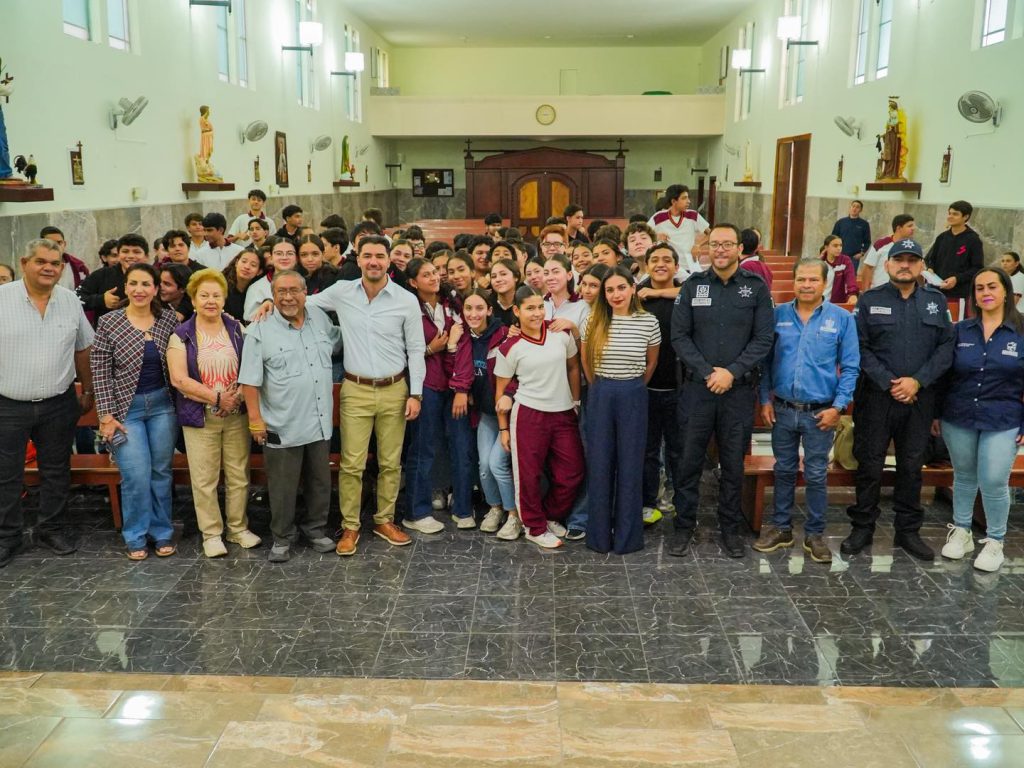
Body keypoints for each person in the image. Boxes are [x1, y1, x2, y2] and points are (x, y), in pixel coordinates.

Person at [252, 236, 423, 555]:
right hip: (355, 389)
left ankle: (384, 520)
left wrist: (416, 394)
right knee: (352, 463)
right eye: (367, 255)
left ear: (389, 260)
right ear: (358, 259)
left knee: (390, 462)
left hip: (395, 389)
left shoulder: (405, 300)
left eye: (380, 256)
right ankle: (350, 526)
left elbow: (415, 349)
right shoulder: (342, 292)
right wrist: (269, 301)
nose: (374, 261)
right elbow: (301, 299)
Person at [843, 239, 954, 561]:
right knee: (870, 465)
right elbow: (859, 347)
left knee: (911, 466)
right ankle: (862, 527)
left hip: (919, 399)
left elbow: (946, 348)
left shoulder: (935, 302)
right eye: (899, 259)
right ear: (888, 264)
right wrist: (890, 382)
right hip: (877, 398)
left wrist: (916, 381)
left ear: (921, 266)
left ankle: (908, 531)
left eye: (912, 260)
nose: (905, 265)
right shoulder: (870, 300)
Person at [670, 223, 774, 558]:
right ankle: (683, 526)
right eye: (714, 244)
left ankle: (730, 529)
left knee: (732, 464)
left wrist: (731, 372)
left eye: (727, 244)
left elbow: (763, 339)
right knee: (688, 462)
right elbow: (679, 337)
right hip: (697, 390)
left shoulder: (755, 288)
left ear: (740, 249)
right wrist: (707, 372)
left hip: (738, 392)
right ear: (707, 248)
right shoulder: (693, 286)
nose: (720, 250)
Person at [755, 259, 860, 563]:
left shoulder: (841, 319)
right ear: (793, 281)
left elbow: (851, 367)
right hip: (783, 409)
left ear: (825, 283)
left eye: (813, 279)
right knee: (784, 470)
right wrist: (765, 400)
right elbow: (765, 363)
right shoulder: (778, 316)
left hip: (821, 413)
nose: (806, 285)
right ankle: (781, 528)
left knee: (815, 473)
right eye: (801, 279)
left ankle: (814, 534)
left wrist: (838, 407)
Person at [0, 239, 95, 567]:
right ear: (24, 263)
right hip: (8, 404)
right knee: (6, 474)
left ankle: (50, 529)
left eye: (55, 263)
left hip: (58, 402)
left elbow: (83, 347)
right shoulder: (2, 298)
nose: (48, 268)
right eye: (41, 261)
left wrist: (88, 390)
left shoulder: (69, 301)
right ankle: (7, 536)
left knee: (56, 471)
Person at [239, 270, 341, 563]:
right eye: (281, 292)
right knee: (282, 486)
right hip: (282, 423)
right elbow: (249, 381)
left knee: (319, 482)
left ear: (305, 293)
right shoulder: (260, 329)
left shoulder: (319, 318)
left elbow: (339, 342)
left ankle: (316, 530)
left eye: (294, 290)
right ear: (272, 296)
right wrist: (255, 421)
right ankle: (282, 537)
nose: (288, 297)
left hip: (319, 420)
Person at [167, 269, 260, 557]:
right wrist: (217, 398)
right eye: (204, 295)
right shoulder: (181, 335)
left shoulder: (237, 329)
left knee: (238, 474)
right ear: (193, 300)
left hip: (236, 413)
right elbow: (178, 379)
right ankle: (211, 534)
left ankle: (237, 528)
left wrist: (236, 397)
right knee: (204, 479)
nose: (211, 301)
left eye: (216, 295)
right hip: (200, 415)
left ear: (224, 299)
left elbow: (252, 366)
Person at [937, 268, 1024, 573]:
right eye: (979, 288)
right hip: (959, 415)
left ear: (1006, 292)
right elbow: (945, 374)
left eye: (992, 287)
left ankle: (995, 540)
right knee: (964, 475)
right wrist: (936, 414)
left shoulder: (1021, 331)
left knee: (993, 479)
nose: (985, 293)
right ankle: (962, 531)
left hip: (1003, 418)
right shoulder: (961, 330)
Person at [91, 263, 179, 560]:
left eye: (146, 284)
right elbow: (100, 371)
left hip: (163, 407)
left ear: (155, 289)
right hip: (125, 411)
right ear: (125, 287)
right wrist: (106, 416)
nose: (139, 290)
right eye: (133, 284)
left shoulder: (167, 318)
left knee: (160, 473)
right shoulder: (109, 322)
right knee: (136, 474)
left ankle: (162, 531)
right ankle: (135, 535)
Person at [494, 286, 585, 549]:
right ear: (516, 311)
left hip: (563, 412)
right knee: (529, 475)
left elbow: (573, 367)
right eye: (529, 308)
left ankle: (550, 515)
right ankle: (534, 527)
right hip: (528, 414)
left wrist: (575, 401)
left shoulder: (560, 333)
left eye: (539, 307)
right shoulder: (509, 346)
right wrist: (503, 429)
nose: (536, 313)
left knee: (573, 471)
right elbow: (500, 391)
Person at [580, 266, 661, 554]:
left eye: (621, 288)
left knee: (630, 464)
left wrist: (631, 386)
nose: (616, 294)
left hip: (633, 394)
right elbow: (586, 362)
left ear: (632, 288)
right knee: (600, 463)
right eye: (610, 290)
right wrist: (601, 386)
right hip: (601, 391)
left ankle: (628, 538)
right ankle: (599, 537)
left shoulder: (648, 321)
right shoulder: (594, 320)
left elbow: (651, 363)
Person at [402, 258, 474, 532]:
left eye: (434, 272)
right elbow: (400, 352)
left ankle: (463, 508)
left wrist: (462, 386)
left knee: (461, 447)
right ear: (413, 282)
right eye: (426, 275)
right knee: (423, 448)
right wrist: (431, 349)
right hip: (426, 385)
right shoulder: (408, 308)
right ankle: (416, 512)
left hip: (454, 385)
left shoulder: (452, 304)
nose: (434, 277)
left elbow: (464, 344)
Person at [464, 289, 518, 536]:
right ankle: (495, 508)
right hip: (486, 413)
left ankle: (513, 514)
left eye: (479, 308)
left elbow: (518, 372)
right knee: (484, 465)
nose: (473, 314)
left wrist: (509, 395)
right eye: (468, 308)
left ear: (489, 310)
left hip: (508, 413)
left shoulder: (505, 335)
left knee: (497, 464)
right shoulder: (464, 337)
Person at [637, 244, 683, 525]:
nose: (660, 264)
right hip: (645, 387)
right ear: (647, 266)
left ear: (677, 266)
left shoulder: (687, 293)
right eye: (654, 260)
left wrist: (658, 293)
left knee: (678, 449)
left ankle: (678, 501)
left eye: (667, 259)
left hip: (679, 387)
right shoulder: (636, 295)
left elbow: (692, 294)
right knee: (648, 450)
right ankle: (648, 502)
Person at [77, 233, 149, 323]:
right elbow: (76, 298)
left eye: (136, 252)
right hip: (108, 330)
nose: (130, 256)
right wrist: (101, 300)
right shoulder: (101, 275)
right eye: (125, 251)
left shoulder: (154, 276)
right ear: (119, 254)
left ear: (146, 256)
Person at [925, 200, 985, 303]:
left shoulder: (973, 240)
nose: (950, 217)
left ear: (966, 217)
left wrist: (957, 279)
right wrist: (930, 269)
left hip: (958, 295)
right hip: (935, 292)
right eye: (949, 213)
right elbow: (930, 259)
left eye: (955, 214)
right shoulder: (942, 237)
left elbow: (977, 268)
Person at [648, 185, 709, 275]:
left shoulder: (693, 215)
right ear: (673, 201)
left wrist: (698, 245)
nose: (688, 201)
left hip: (689, 265)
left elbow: (711, 234)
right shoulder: (659, 217)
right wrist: (656, 237)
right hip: (668, 266)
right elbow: (644, 234)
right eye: (684, 198)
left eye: (688, 197)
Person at [858, 214, 916, 291]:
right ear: (899, 228)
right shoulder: (881, 244)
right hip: (880, 291)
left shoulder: (913, 247)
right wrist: (866, 292)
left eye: (913, 226)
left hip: (903, 292)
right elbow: (868, 267)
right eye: (909, 226)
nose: (913, 228)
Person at [244, 239, 297, 320]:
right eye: (279, 253)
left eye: (290, 253)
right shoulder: (256, 288)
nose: (284, 257)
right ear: (271, 257)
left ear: (296, 258)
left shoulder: (306, 282)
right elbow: (250, 321)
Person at [544, 253, 589, 332]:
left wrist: (573, 327)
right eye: (546, 273)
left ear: (569, 275)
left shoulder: (583, 307)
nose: (550, 277)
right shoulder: (538, 303)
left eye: (556, 272)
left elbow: (587, 339)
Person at [39, 226, 89, 292]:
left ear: (64, 244)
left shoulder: (79, 267)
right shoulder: (35, 267)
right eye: (50, 243)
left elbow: (87, 292)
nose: (56, 246)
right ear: (41, 245)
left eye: (59, 242)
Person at [222, 250, 264, 323]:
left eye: (253, 265)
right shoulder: (220, 284)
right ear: (236, 263)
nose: (247, 267)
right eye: (244, 261)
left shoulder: (260, 289)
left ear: (259, 271)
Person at [831, 200, 872, 270]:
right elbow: (833, 238)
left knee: (851, 276)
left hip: (854, 258)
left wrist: (862, 253)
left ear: (861, 210)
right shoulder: (840, 222)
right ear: (850, 207)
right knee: (837, 275)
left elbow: (867, 241)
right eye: (853, 206)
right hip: (839, 255)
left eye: (857, 207)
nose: (854, 208)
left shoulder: (864, 224)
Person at [820, 235, 859, 305]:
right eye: (835, 246)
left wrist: (852, 294)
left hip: (836, 303)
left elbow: (851, 279)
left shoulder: (845, 261)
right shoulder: (819, 262)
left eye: (840, 245)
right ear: (826, 247)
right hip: (819, 302)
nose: (839, 248)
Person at [489, 258, 520, 326]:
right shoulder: (487, 304)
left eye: (503, 274)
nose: (498, 279)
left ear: (516, 277)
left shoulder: (525, 302)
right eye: (493, 276)